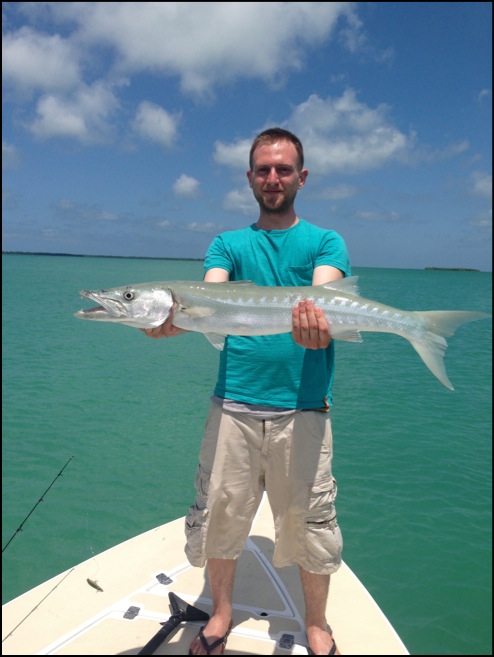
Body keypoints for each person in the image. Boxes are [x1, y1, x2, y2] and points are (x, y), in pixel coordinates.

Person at [144, 128, 351, 655]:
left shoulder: (326, 242)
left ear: (301, 177)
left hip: (303, 411)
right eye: (263, 169)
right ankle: (221, 614)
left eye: (283, 169)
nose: (273, 178)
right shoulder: (227, 245)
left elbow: (326, 297)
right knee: (221, 515)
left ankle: (318, 623)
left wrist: (320, 327)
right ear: (250, 178)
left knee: (311, 522)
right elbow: (209, 295)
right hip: (232, 409)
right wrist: (177, 317)